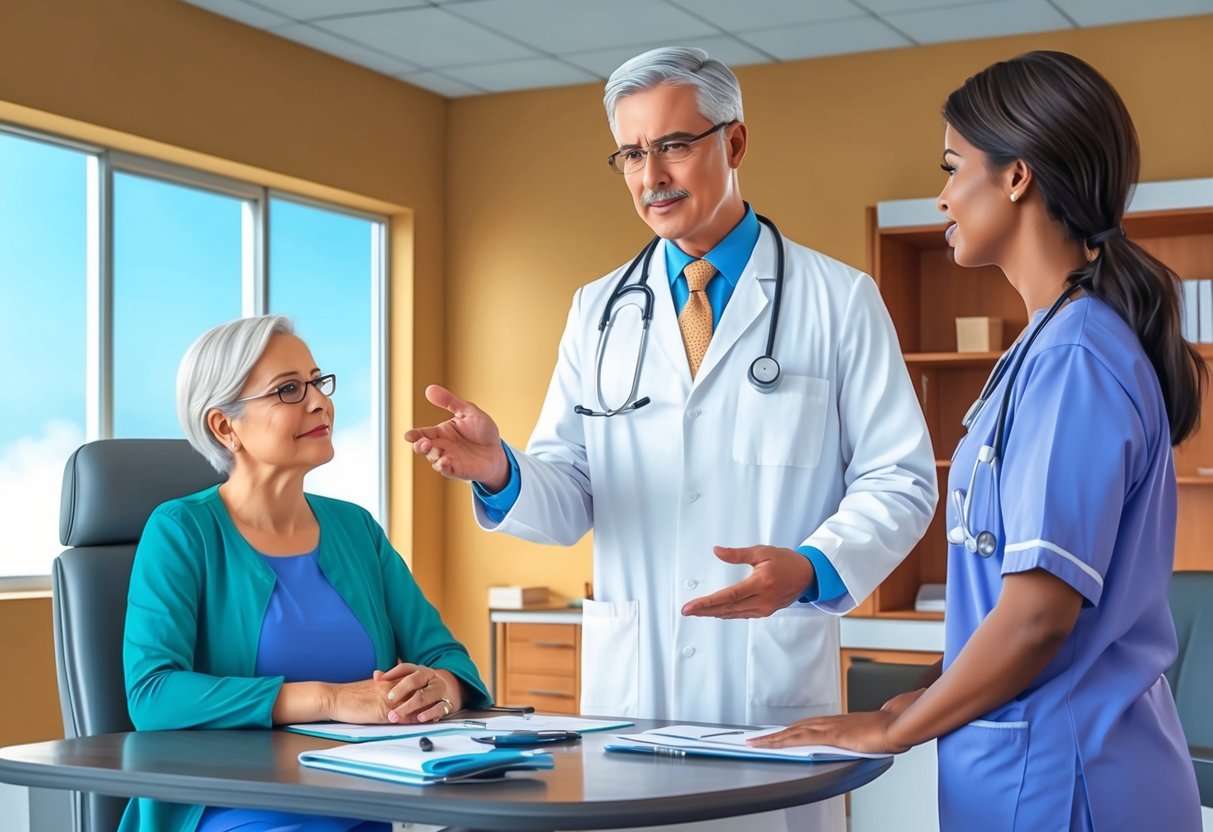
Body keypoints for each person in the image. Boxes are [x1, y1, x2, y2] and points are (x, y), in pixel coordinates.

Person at [405, 46, 937, 832]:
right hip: (634, 698)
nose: (650, 175)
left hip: (767, 690)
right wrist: (502, 473)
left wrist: (812, 567)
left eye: (674, 145)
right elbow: (570, 495)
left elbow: (900, 478)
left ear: (735, 143)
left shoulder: (838, 300)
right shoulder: (597, 310)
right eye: (630, 152)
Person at [751, 51, 1206, 831]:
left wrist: (895, 727)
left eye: (953, 167)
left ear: (1016, 177)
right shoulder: (1048, 346)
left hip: (1071, 783)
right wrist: (923, 689)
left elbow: (1038, 616)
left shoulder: (1073, 360)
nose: (941, 196)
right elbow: (1006, 600)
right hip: (1030, 772)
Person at [122, 315, 490, 832]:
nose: (319, 401)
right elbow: (153, 696)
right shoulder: (182, 530)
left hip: (370, 804)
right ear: (225, 427)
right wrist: (331, 699)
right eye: (288, 389)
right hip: (239, 807)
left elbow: (446, 657)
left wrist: (440, 688)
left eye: (318, 381)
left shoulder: (355, 527)